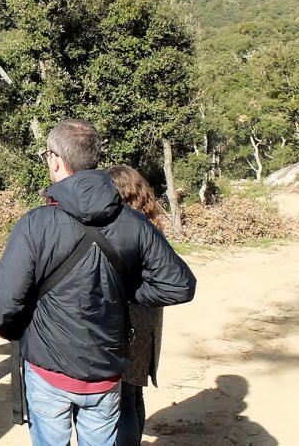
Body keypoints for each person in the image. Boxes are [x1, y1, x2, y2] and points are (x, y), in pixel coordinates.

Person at [0, 119, 197, 446]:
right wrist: (125, 289)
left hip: (49, 368)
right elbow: (179, 285)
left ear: (55, 160)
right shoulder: (133, 222)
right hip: (106, 372)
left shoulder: (36, 224)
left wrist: (11, 327)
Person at [108, 165, 166, 446]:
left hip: (128, 320)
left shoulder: (122, 231)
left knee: (122, 403)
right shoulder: (152, 227)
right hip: (148, 320)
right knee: (134, 393)